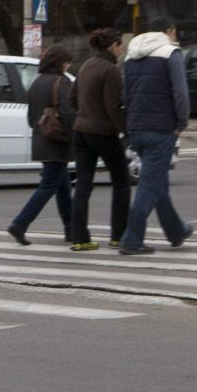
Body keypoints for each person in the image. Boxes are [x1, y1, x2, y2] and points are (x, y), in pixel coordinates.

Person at [119, 21, 193, 255]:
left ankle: (176, 231)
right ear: (169, 31)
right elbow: (180, 92)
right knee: (150, 185)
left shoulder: (130, 57)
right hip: (161, 129)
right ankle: (131, 239)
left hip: (136, 128)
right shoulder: (171, 53)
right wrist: (181, 123)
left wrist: (131, 123)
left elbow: (125, 94)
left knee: (157, 182)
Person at [67, 29, 129, 252]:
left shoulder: (86, 65)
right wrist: (126, 131)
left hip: (80, 131)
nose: (121, 50)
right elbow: (114, 106)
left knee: (83, 185)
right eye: (121, 46)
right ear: (113, 46)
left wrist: (84, 115)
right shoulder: (111, 70)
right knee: (121, 181)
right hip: (103, 133)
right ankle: (118, 235)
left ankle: (79, 238)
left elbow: (72, 99)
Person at [7, 47, 74, 245]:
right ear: (60, 63)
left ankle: (71, 230)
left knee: (62, 185)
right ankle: (20, 224)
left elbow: (31, 117)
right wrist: (75, 137)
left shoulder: (36, 82)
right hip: (57, 140)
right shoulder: (62, 82)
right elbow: (69, 114)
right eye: (67, 62)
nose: (68, 66)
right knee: (49, 185)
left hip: (41, 138)